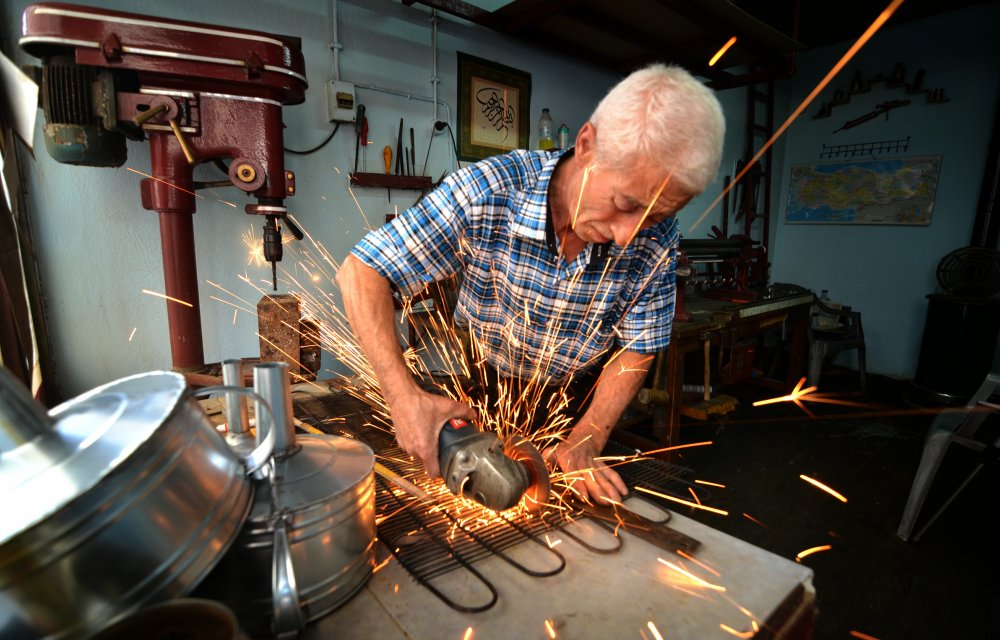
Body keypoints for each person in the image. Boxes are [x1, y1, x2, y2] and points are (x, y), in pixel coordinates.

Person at [337, 63, 725, 505]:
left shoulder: (657, 241)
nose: (627, 236)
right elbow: (362, 270)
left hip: (576, 400)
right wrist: (402, 396)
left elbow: (639, 345)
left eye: (654, 216)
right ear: (586, 146)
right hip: (481, 384)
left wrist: (590, 437)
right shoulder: (490, 189)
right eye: (624, 203)